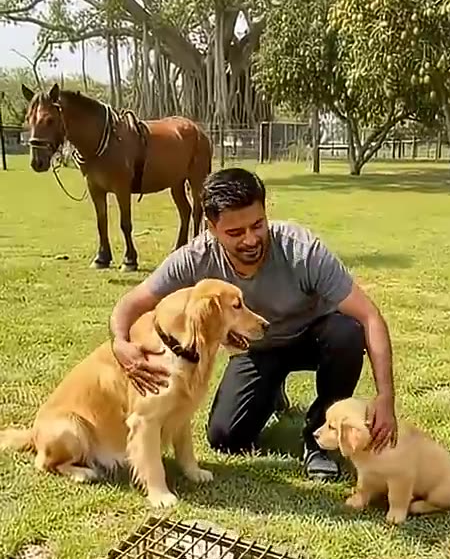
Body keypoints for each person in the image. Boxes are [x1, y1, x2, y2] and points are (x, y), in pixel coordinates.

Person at [110, 167, 397, 481]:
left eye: (257, 225)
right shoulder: (194, 258)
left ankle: (318, 441)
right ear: (212, 228)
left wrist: (386, 398)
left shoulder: (301, 249)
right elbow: (130, 303)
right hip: (256, 350)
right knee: (227, 438)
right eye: (235, 233)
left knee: (348, 332)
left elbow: (369, 316)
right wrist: (120, 343)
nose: (250, 239)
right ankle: (272, 392)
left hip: (315, 339)